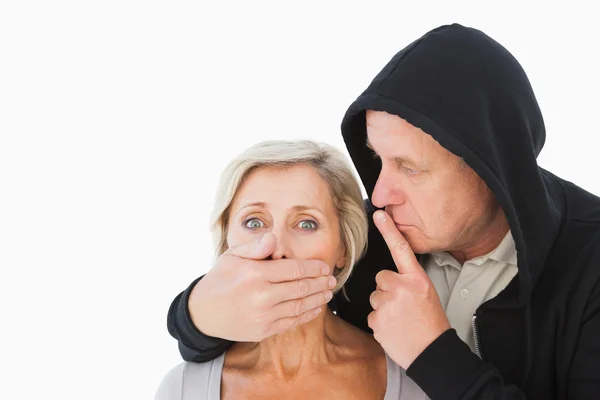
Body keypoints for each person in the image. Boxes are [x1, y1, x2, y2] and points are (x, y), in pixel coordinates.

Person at [166, 24, 600, 399]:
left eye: (409, 168)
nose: (380, 192)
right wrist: (195, 315)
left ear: (489, 169)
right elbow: (253, 288)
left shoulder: (589, 265)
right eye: (378, 160)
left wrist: (433, 353)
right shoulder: (370, 238)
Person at [156, 140, 428, 399]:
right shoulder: (182, 388)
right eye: (253, 222)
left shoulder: (411, 383)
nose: (276, 248)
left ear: (343, 247)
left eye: (306, 224)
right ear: (227, 240)